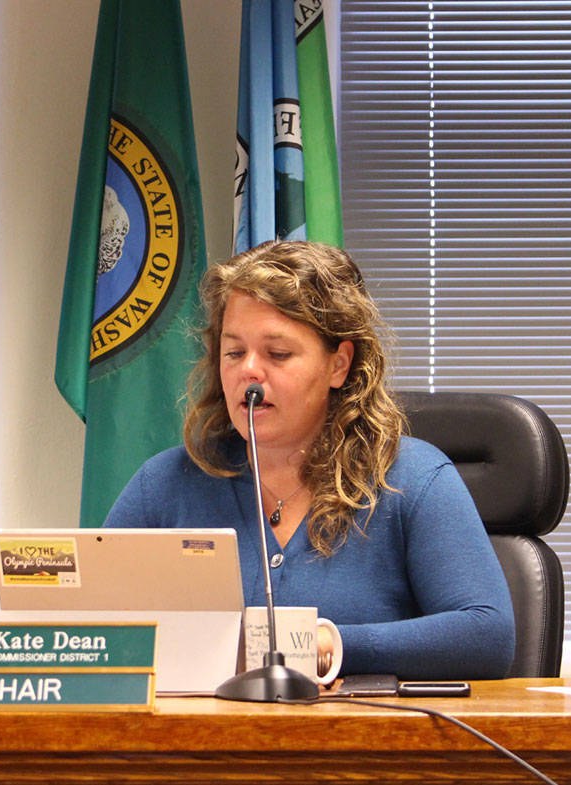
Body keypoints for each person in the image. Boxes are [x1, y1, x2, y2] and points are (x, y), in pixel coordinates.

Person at [105, 241, 515, 680]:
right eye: (234, 352)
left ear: (339, 365)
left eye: (277, 354)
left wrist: (327, 644)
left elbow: (486, 634)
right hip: (203, 743)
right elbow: (86, 622)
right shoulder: (168, 483)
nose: (250, 371)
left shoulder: (410, 479)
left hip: (357, 742)